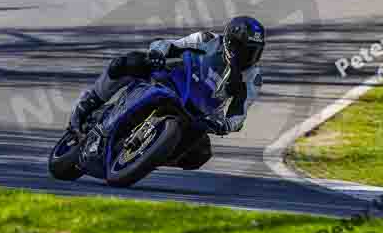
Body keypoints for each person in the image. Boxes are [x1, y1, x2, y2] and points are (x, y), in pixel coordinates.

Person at [68, 16, 265, 170]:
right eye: (244, 49)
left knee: (200, 155)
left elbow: (240, 111)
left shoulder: (253, 78)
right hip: (173, 83)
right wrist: (158, 53)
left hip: (199, 114)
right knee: (130, 62)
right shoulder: (207, 40)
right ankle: (90, 102)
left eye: (254, 51)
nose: (249, 56)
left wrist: (226, 124)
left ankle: (147, 156)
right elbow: (170, 44)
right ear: (230, 42)